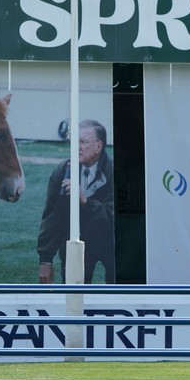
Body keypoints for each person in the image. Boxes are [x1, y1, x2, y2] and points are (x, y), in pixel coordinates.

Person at [37, 119, 115, 284]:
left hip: (111, 243)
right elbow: (52, 216)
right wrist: (45, 260)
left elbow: (113, 216)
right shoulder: (63, 171)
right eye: (74, 141)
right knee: (74, 295)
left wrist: (85, 200)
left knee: (117, 291)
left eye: (83, 142)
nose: (77, 147)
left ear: (98, 147)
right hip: (77, 241)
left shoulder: (114, 172)